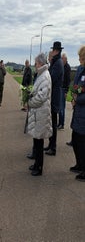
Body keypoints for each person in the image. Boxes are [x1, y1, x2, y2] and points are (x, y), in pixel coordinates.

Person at [26, 53, 52, 176]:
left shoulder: (45, 76)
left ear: (41, 63)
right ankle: (36, 164)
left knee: (39, 141)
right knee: (36, 140)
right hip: (38, 113)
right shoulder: (41, 74)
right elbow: (37, 91)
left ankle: (39, 167)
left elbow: (42, 96)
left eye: (36, 63)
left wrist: (30, 101)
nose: (35, 65)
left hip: (41, 112)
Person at [44, 41, 64, 156]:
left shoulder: (58, 63)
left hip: (54, 97)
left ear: (56, 51)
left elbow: (50, 79)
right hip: (53, 96)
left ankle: (53, 147)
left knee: (53, 123)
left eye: (52, 50)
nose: (51, 52)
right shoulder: (56, 62)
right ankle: (50, 144)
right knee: (51, 123)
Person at [69, 45, 85, 181]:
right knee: (75, 138)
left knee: (81, 141)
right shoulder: (81, 69)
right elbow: (76, 86)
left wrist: (77, 99)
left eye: (81, 57)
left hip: (83, 111)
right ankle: (79, 164)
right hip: (78, 110)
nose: (79, 59)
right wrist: (74, 95)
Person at [57, 53, 71, 129]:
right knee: (60, 107)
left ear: (65, 59)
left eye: (63, 58)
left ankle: (62, 124)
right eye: (61, 58)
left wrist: (66, 91)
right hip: (60, 88)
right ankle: (60, 123)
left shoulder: (67, 67)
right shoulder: (62, 66)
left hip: (64, 89)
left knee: (62, 107)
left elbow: (68, 80)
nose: (62, 60)